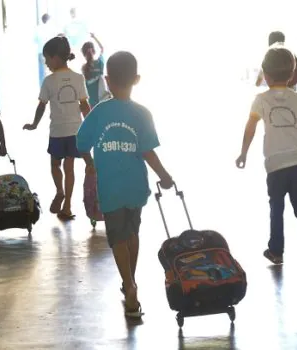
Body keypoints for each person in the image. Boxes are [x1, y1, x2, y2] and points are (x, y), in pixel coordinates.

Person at [76, 51, 174, 318]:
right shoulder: (142, 113)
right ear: (137, 79)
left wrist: (91, 163)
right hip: (136, 186)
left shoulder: (98, 112)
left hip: (110, 187)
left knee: (117, 237)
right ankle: (130, 279)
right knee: (132, 233)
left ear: (106, 80)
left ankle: (129, 285)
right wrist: (164, 176)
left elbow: (81, 143)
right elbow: (148, 152)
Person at [236, 45, 297, 273]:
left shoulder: (260, 100)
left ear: (265, 74)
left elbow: (250, 127)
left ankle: (276, 251)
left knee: (276, 209)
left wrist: (243, 153)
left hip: (276, 166)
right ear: (292, 75)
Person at [23, 36, 91, 221]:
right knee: (70, 169)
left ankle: (59, 191)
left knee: (55, 164)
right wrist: (91, 125)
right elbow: (84, 105)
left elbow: (41, 106)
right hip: (75, 132)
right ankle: (67, 205)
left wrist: (34, 124)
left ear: (55, 57)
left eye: (46, 58)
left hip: (57, 132)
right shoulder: (78, 78)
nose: (46, 62)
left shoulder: (49, 81)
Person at [256, 31, 297, 96]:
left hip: (276, 92)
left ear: (269, 43)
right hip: (291, 91)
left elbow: (259, 80)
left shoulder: (269, 57)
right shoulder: (289, 55)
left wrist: (258, 82)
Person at [81, 33, 109, 107]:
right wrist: (94, 37)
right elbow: (102, 48)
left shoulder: (84, 68)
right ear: (94, 51)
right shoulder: (100, 62)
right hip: (103, 100)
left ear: (84, 54)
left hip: (92, 103)